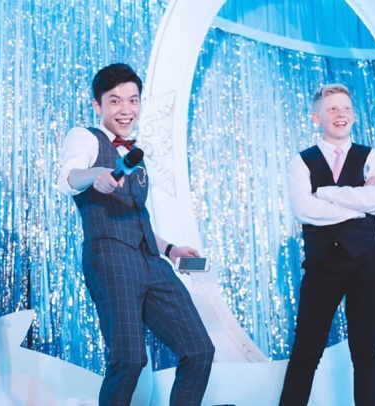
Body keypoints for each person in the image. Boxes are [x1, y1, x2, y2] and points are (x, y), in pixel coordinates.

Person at [57, 63, 215, 405]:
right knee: (128, 359)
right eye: (115, 101)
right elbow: (68, 177)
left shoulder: (136, 156)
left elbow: (137, 220)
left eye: (133, 100)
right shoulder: (84, 137)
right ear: (98, 105)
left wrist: (170, 250)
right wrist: (95, 175)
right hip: (110, 257)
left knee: (199, 350)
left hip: (151, 261)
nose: (125, 109)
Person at [279, 83, 375, 405]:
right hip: (322, 265)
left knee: (367, 352)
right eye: (332, 109)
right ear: (317, 118)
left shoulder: (370, 155)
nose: (341, 114)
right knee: (306, 351)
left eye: (346, 108)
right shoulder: (302, 161)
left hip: (366, 263)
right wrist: (358, 203)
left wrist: (326, 193)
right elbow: (304, 209)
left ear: (353, 116)